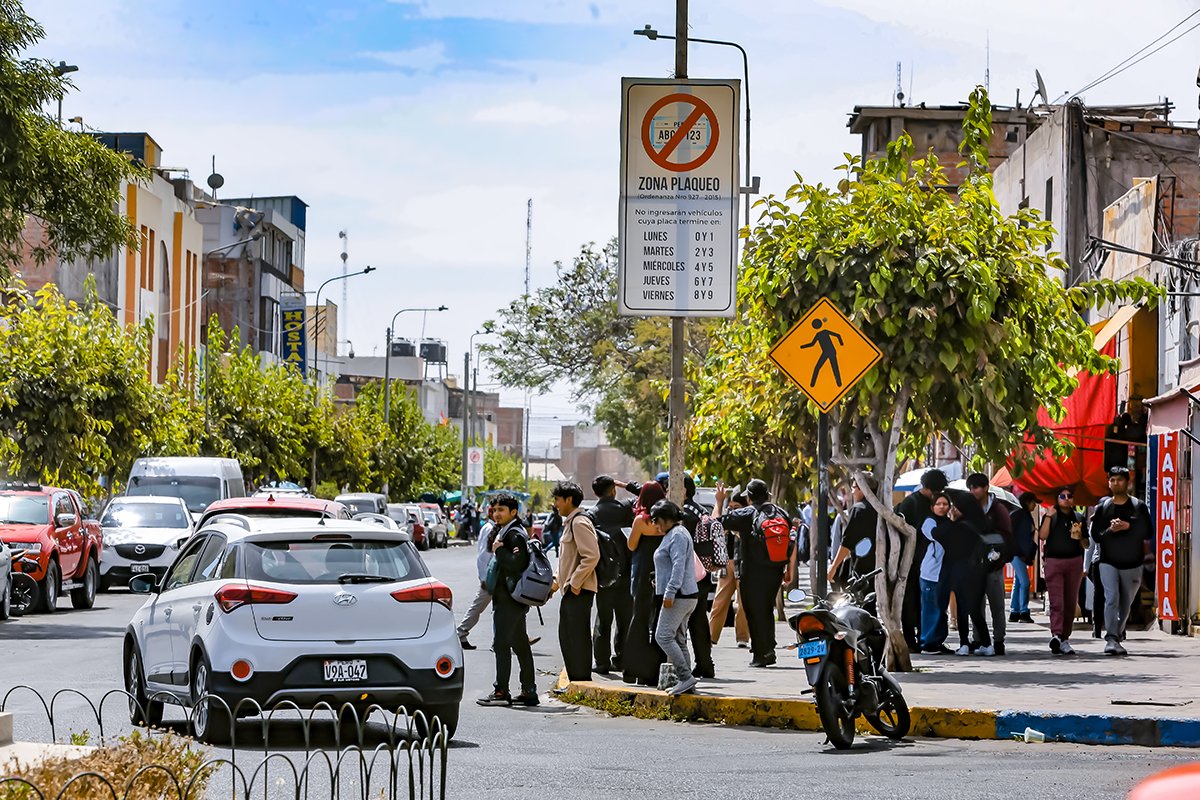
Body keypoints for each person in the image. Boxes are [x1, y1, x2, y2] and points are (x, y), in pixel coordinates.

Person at [717, 478, 791, 668]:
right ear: (767, 495)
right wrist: (788, 568)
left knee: (753, 611)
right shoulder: (781, 513)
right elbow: (790, 542)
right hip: (775, 571)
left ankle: (760, 654)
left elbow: (718, 523)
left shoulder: (747, 513)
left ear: (749, 498)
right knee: (766, 609)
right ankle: (769, 649)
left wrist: (719, 502)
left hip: (751, 572)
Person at [478, 494, 539, 707]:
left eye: (501, 510)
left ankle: (501, 692)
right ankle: (529, 691)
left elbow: (517, 563)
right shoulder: (508, 531)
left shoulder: (514, 534)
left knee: (501, 644)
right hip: (510, 597)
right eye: (494, 510)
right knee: (521, 644)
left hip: (510, 598)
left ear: (514, 512)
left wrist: (499, 550)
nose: (497, 514)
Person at [1090, 466, 1153, 655]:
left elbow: (1148, 532)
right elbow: (1096, 535)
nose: (1116, 483)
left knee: (1126, 603)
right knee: (1112, 598)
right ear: (1109, 483)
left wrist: (1129, 526)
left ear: (1128, 482)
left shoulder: (1138, 506)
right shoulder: (1103, 507)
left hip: (1132, 563)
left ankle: (1117, 634)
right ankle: (1111, 637)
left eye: (1119, 479)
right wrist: (1111, 530)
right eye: (1112, 480)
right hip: (1107, 561)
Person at [650, 499, 701, 695]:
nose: (655, 525)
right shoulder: (675, 534)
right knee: (679, 639)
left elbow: (679, 565)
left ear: (665, 519)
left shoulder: (677, 536)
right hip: (683, 595)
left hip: (679, 596)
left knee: (662, 636)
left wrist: (670, 591)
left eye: (656, 520)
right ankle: (688, 684)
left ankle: (685, 677)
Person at [896, 469, 948, 649]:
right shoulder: (910, 503)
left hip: (927, 560)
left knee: (925, 601)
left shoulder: (932, 502)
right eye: (934, 491)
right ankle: (910, 640)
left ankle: (927, 637)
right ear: (927, 488)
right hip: (910, 559)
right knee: (910, 600)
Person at [553, 480, 600, 682]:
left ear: (568, 500)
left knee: (576, 637)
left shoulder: (579, 522)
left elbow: (592, 555)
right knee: (567, 636)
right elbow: (567, 561)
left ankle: (581, 679)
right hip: (571, 589)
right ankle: (575, 679)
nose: (555, 504)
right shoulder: (570, 522)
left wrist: (575, 583)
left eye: (557, 499)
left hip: (579, 591)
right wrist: (554, 585)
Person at [935, 493, 993, 656]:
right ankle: (987, 644)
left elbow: (937, 534)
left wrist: (950, 521)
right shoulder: (981, 523)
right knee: (975, 609)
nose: (951, 509)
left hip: (960, 571)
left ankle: (964, 643)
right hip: (978, 572)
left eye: (955, 507)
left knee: (961, 607)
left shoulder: (957, 527)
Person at [622, 481, 668, 685]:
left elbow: (631, 545)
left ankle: (633, 669)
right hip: (662, 573)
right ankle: (654, 671)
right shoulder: (667, 520)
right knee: (659, 620)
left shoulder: (641, 521)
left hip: (642, 572)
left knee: (639, 618)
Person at [591, 475, 634, 674]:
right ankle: (623, 659)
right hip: (626, 572)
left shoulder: (591, 515)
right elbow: (650, 495)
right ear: (614, 490)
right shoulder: (625, 509)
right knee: (625, 620)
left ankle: (601, 662)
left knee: (603, 620)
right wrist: (627, 485)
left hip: (602, 575)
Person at [966, 472, 1012, 655]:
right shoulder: (968, 508)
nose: (973, 491)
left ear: (986, 488)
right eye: (970, 488)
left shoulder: (998, 509)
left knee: (997, 604)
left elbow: (1007, 535)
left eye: (976, 487)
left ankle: (999, 640)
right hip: (975, 563)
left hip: (994, 563)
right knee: (976, 604)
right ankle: (979, 640)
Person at [1039, 485, 1088, 656]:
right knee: (1057, 602)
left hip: (1074, 561)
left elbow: (1086, 544)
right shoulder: (1051, 516)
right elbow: (1042, 536)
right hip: (1054, 561)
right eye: (1062, 496)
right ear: (1057, 498)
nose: (1067, 498)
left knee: (1069, 603)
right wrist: (1048, 516)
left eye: (1070, 495)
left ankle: (1064, 638)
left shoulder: (1079, 517)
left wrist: (1080, 535)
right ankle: (1057, 634)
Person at [681, 474, 716, 679]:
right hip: (703, 572)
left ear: (683, 490)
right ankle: (705, 663)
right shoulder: (701, 510)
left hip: (689, 573)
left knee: (685, 620)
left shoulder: (685, 513)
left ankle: (690, 665)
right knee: (699, 620)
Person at [708, 486, 750, 648]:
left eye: (736, 508)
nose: (732, 511)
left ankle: (742, 637)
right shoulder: (727, 519)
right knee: (719, 601)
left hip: (743, 564)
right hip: (726, 564)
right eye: (730, 508)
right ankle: (711, 636)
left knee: (742, 603)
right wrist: (719, 502)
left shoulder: (747, 518)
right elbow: (714, 524)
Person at [457, 499, 496, 650]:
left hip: (495, 576)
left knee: (500, 609)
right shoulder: (489, 529)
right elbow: (483, 556)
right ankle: (460, 633)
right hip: (490, 577)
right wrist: (484, 578)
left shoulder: (495, 528)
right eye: (496, 511)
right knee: (478, 607)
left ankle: (501, 640)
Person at [828, 475, 878, 588]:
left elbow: (847, 542)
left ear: (863, 489)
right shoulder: (880, 508)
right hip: (878, 569)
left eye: (854, 487)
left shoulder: (859, 509)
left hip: (862, 571)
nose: (852, 491)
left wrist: (834, 566)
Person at [918, 492, 952, 654]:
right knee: (931, 608)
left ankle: (937, 641)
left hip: (944, 574)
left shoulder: (948, 522)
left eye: (945, 504)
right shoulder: (929, 522)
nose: (942, 507)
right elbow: (935, 534)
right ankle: (928, 643)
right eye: (938, 504)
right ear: (932, 507)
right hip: (930, 573)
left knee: (940, 608)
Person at [1009, 492, 1039, 624]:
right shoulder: (1020, 516)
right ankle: (1023, 611)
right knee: (1025, 582)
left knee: (1018, 581)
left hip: (1018, 553)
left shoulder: (1021, 515)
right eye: (1034, 502)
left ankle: (1014, 611)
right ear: (1027, 502)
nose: (1035, 505)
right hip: (1017, 553)